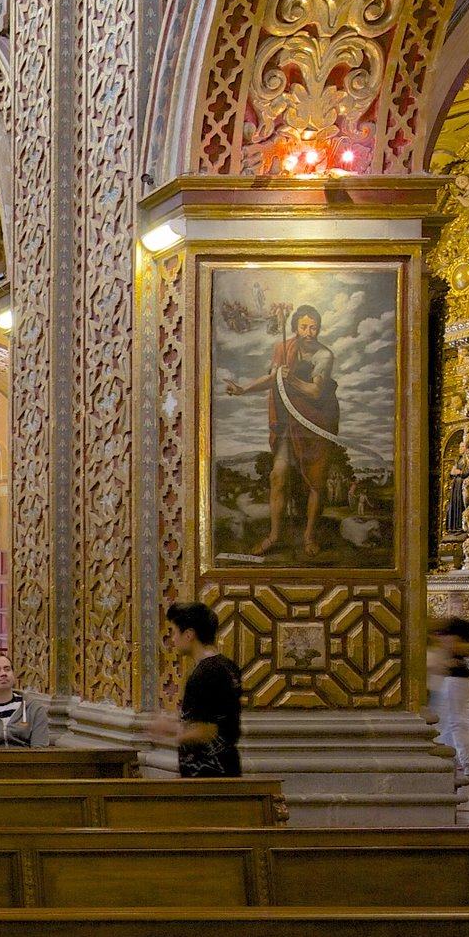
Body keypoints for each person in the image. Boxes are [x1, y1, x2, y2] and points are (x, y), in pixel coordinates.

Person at [220, 302, 340, 558]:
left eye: (314, 328)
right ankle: (274, 535)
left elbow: (316, 391)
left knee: (316, 482)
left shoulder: (324, 355)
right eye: (304, 327)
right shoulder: (283, 349)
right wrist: (242, 389)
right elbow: (272, 379)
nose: (309, 332)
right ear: (295, 327)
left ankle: (309, 537)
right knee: (278, 475)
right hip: (289, 421)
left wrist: (292, 379)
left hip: (317, 421)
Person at [148, 601, 243, 777]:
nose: (172, 638)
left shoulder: (204, 674)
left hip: (209, 775)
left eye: (175, 631)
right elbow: (208, 716)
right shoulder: (226, 666)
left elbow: (206, 731)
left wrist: (170, 731)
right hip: (225, 768)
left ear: (189, 634)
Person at [428, 615, 469, 778]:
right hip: (458, 678)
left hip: (454, 679)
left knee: (455, 721)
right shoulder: (453, 626)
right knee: (449, 722)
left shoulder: (451, 627)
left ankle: (468, 760)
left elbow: (454, 648)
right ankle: (452, 757)